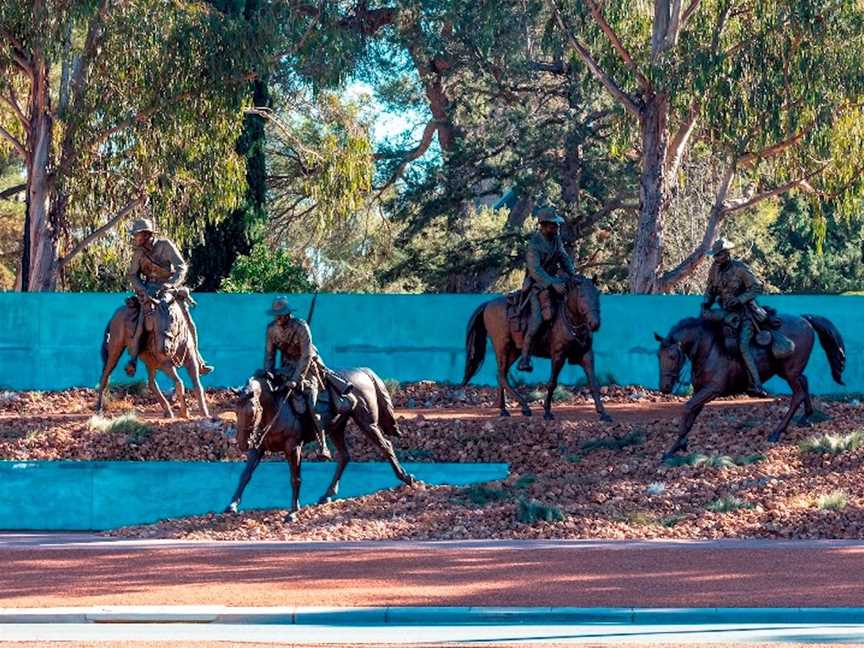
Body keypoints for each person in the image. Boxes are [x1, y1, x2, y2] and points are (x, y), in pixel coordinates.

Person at [263, 297, 355, 460]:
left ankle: (323, 445)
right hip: (286, 368)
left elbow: (306, 356)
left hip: (307, 368)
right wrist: (269, 373)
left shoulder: (301, 327)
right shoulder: (271, 329)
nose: (278, 318)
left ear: (288, 314)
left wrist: (296, 379)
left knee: (311, 403)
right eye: (276, 315)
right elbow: (269, 356)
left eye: (281, 314)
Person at [125, 218, 213, 377]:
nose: (135, 238)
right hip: (149, 289)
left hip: (169, 288)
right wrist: (142, 290)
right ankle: (133, 359)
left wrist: (171, 284)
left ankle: (198, 359)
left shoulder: (165, 246)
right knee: (141, 318)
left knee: (187, 319)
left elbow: (181, 267)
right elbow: (132, 275)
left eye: (137, 235)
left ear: (146, 235)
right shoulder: (138, 253)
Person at [701, 238, 769, 397]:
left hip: (745, 314)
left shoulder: (741, 269)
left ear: (726, 254)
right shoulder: (714, 269)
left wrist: (739, 299)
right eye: (715, 256)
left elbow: (756, 287)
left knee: (742, 346)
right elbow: (710, 289)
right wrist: (706, 303)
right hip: (725, 313)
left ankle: (756, 385)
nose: (716, 258)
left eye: (719, 255)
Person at [518, 210, 576, 372]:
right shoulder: (534, 245)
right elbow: (535, 270)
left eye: (557, 225)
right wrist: (552, 283)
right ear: (543, 226)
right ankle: (525, 358)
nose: (556, 227)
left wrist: (572, 274)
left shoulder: (556, 240)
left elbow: (563, 257)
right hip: (538, 285)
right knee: (537, 319)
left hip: (554, 280)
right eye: (553, 225)